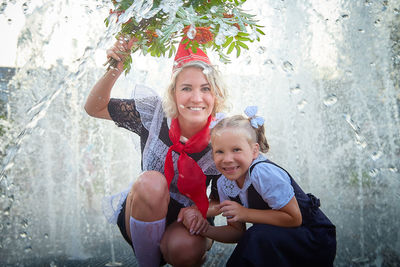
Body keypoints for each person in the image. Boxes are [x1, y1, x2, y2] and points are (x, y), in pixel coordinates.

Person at [84, 37, 228, 267]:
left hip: (190, 216)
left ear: (216, 95)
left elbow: (224, 199)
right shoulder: (154, 114)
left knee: (185, 249)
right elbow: (94, 107)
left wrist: (200, 210)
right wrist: (117, 66)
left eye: (206, 89)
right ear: (173, 93)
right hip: (143, 210)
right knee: (152, 181)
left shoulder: (224, 135)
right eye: (186, 88)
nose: (196, 97)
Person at [203, 106, 337, 267]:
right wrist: (205, 230)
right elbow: (237, 233)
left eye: (236, 150)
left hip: (312, 238)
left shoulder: (262, 173)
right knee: (255, 238)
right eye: (219, 152)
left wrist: (245, 213)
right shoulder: (224, 183)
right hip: (276, 238)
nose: (227, 159)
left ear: (254, 151)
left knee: (257, 237)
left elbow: (294, 218)